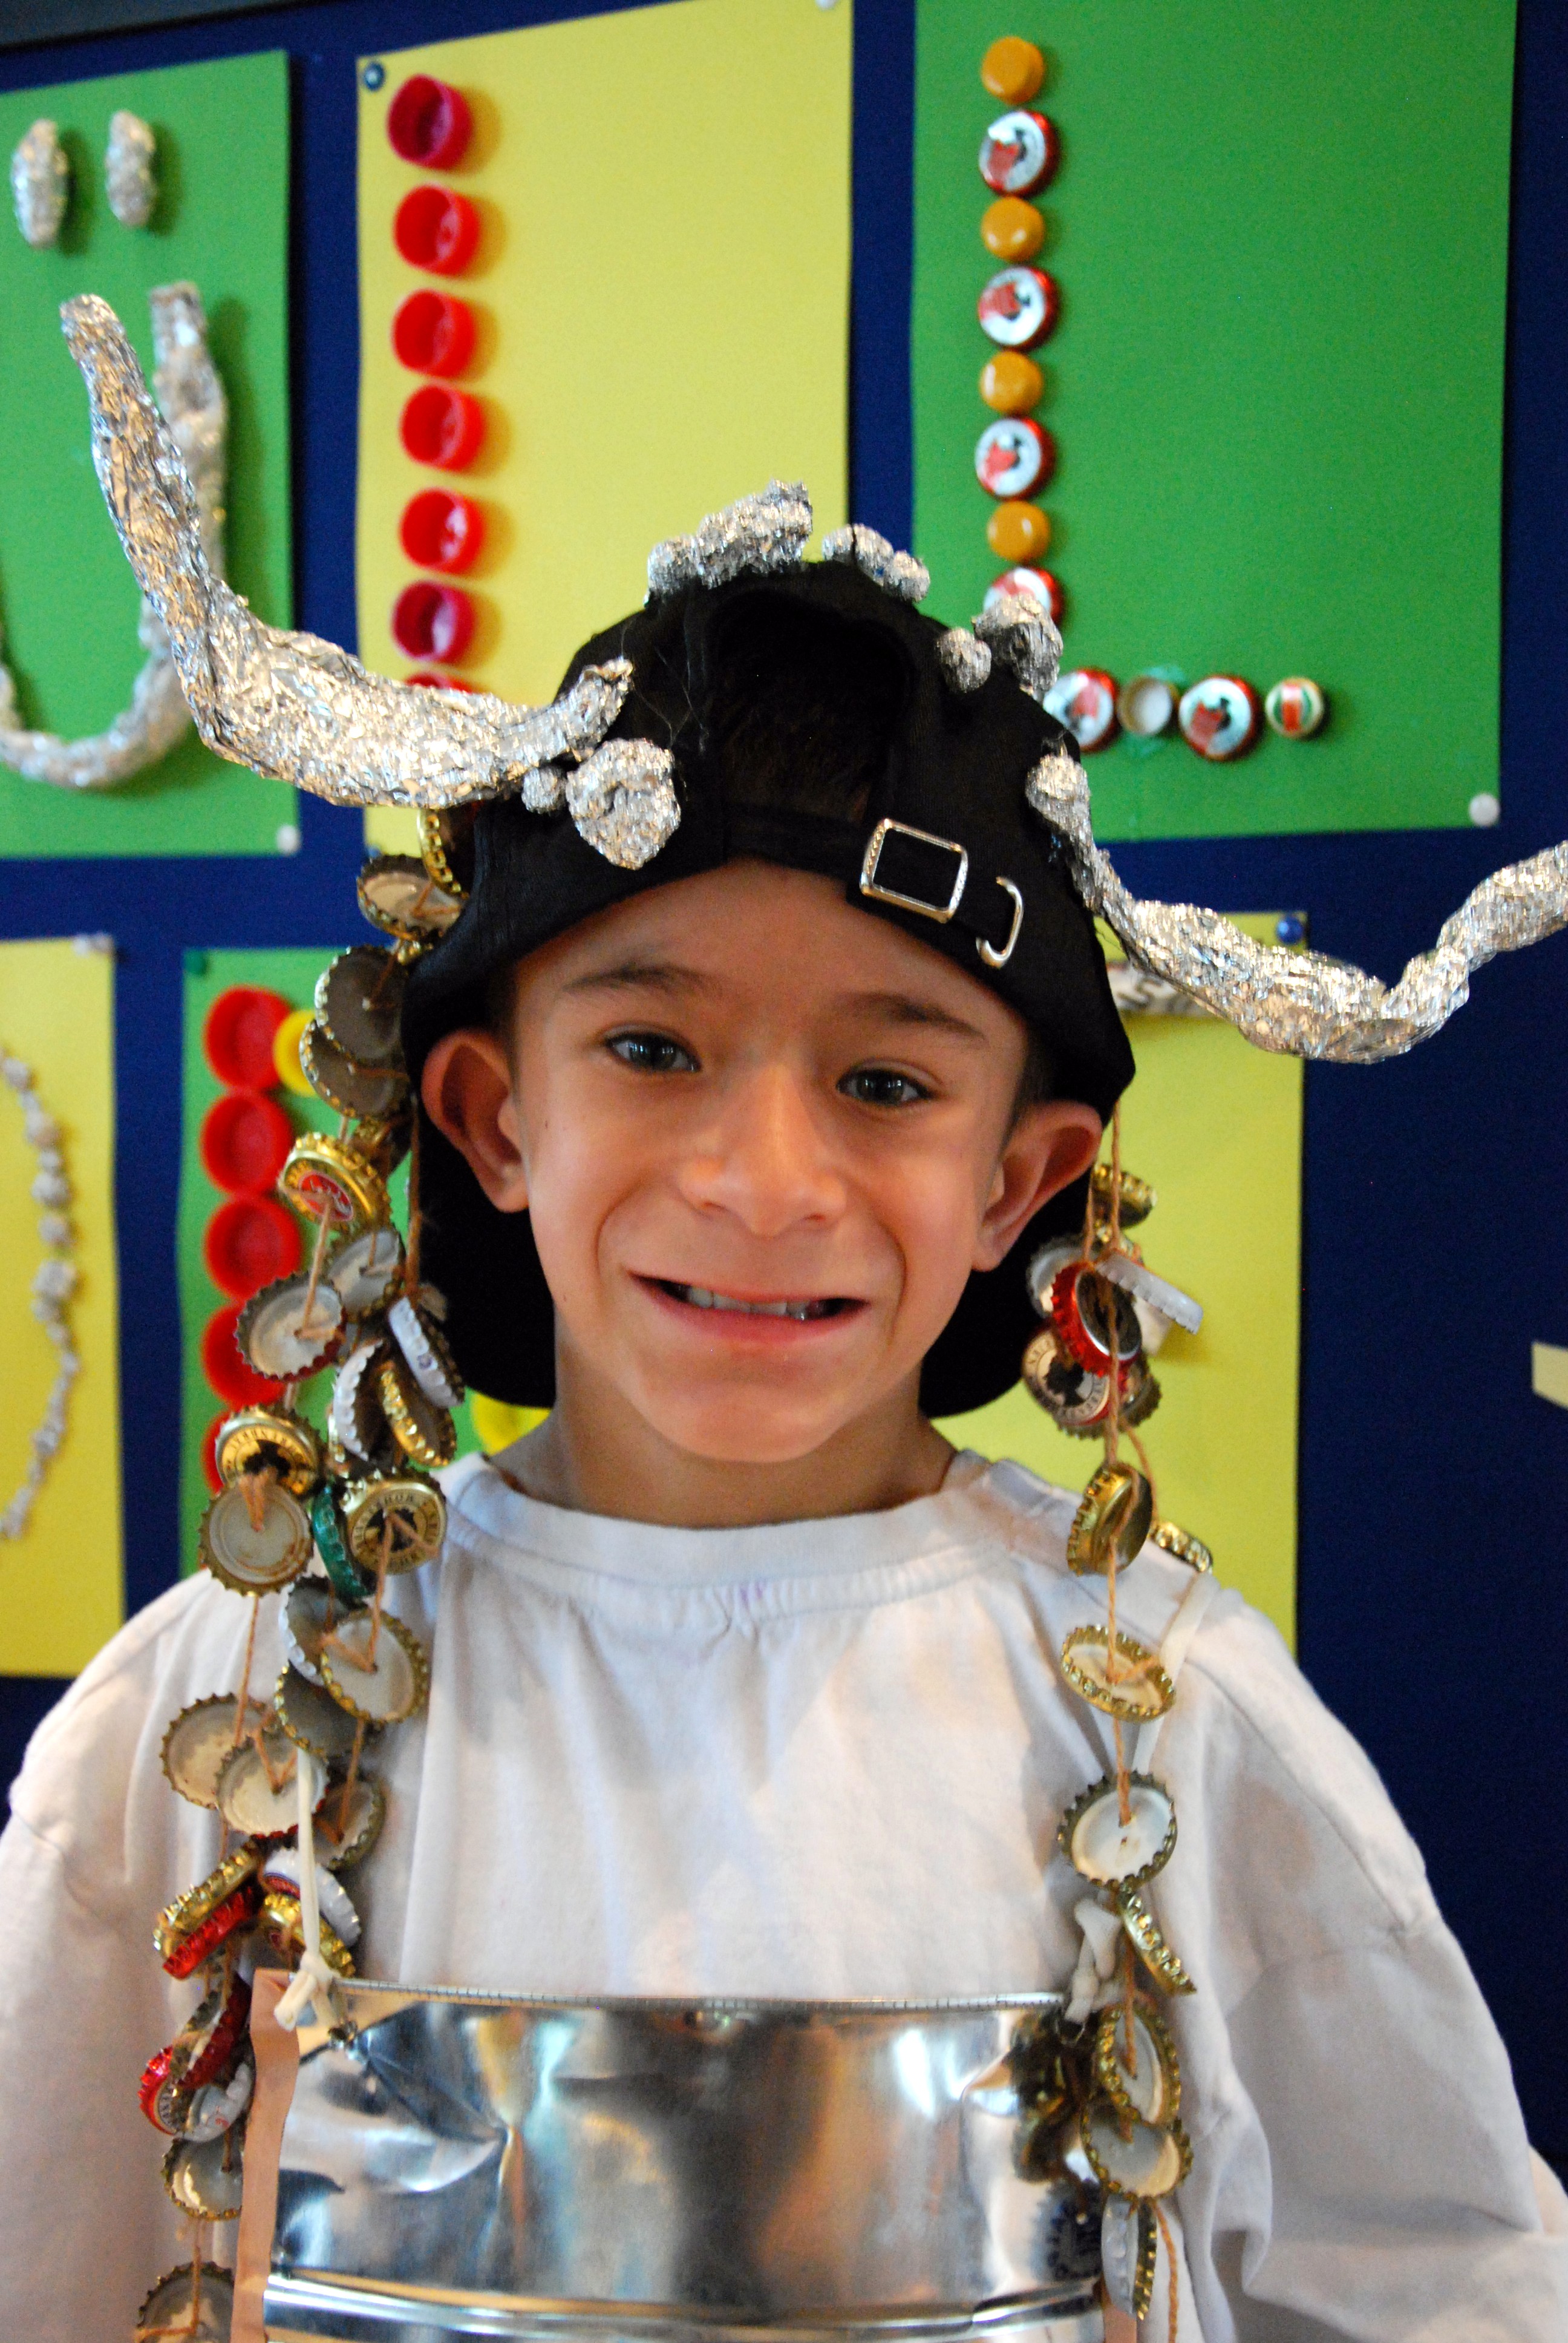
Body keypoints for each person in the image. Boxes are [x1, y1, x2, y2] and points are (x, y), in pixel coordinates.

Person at [7, 306, 1568, 2339]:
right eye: (652, 1046)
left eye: (888, 1080)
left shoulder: (1170, 1722)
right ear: (491, 1115)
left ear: (1018, 1178)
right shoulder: (223, 1713)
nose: (764, 1181)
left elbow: (1443, 2283)